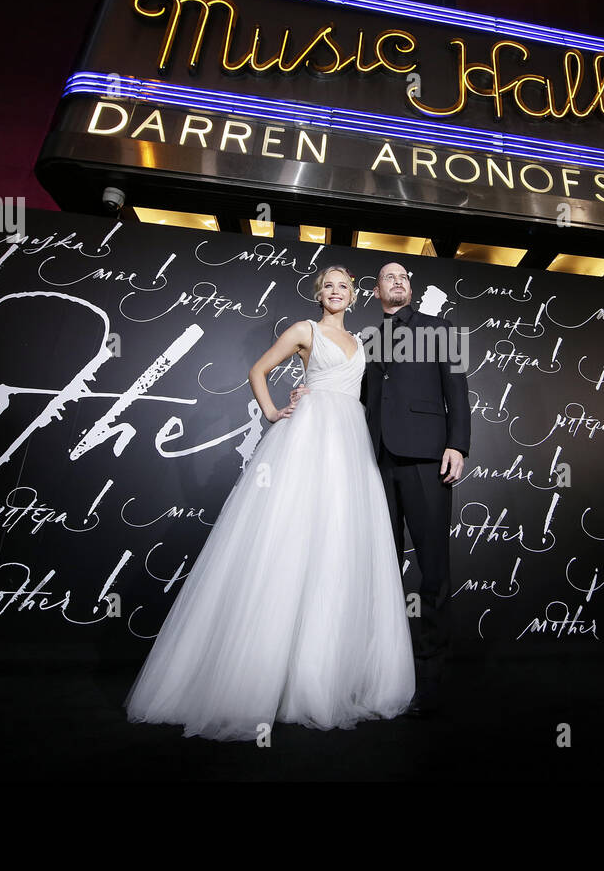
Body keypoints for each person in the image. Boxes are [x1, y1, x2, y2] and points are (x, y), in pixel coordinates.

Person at [124, 265, 415, 741]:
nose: (336, 291)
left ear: (355, 294)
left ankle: (322, 674)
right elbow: (258, 370)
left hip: (351, 443)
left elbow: (366, 391)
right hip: (307, 437)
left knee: (339, 543)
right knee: (291, 537)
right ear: (319, 293)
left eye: (345, 285)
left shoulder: (364, 342)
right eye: (329, 286)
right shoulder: (304, 330)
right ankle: (264, 678)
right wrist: (274, 410)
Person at [291, 260, 469, 716]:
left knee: (433, 570)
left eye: (404, 277)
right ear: (372, 291)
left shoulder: (442, 327)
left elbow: (458, 392)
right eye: (389, 277)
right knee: (377, 567)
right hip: (374, 461)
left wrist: (458, 445)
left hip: (428, 460)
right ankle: (379, 671)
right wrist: (306, 395)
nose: (398, 281)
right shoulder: (364, 340)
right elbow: (350, 392)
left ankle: (430, 674)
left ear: (410, 288)